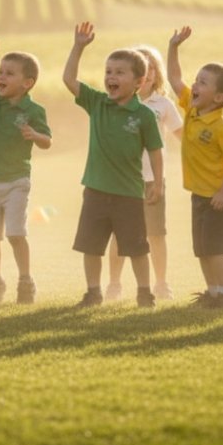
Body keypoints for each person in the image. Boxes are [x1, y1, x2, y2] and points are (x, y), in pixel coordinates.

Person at [63, 22, 164, 309]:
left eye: (120, 72)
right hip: (95, 190)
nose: (112, 77)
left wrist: (157, 183)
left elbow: (156, 151)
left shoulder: (144, 115)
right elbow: (69, 80)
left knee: (136, 248)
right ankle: (93, 292)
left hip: (129, 193)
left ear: (139, 81)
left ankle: (145, 292)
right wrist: (78, 47)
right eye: (109, 71)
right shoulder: (96, 102)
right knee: (91, 246)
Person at [0, 39, 52, 303]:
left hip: (17, 180)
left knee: (16, 233)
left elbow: (47, 142)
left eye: (9, 73)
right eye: (0, 72)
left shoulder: (34, 110)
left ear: (27, 83)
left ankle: (25, 280)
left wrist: (34, 134)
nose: (1, 77)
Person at [168, 26, 223, 309]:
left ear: (219, 97)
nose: (195, 86)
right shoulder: (192, 109)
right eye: (197, 80)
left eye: (203, 83)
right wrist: (174, 46)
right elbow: (174, 78)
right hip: (199, 194)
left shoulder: (222, 128)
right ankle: (213, 293)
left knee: (215, 250)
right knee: (201, 250)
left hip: (219, 197)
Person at [105, 45, 182, 301]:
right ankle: (114, 284)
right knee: (119, 233)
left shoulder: (163, 105)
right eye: (142, 68)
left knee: (155, 234)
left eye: (150, 69)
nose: (146, 74)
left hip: (152, 179)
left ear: (154, 74)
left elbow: (183, 137)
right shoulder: (116, 102)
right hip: (123, 179)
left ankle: (161, 283)